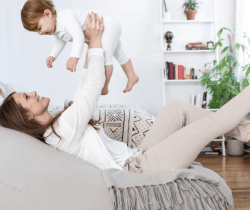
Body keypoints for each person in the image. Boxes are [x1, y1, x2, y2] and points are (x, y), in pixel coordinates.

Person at [1, 13, 250, 174]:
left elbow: (82, 92)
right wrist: (96, 41)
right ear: (29, 117)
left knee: (177, 108)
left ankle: (241, 131)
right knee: (206, 126)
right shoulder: (61, 130)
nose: (32, 92)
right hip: (140, 169)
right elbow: (92, 87)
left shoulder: (59, 125)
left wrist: (91, 46)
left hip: (138, 154)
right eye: (26, 97)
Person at [21, 0, 139, 95]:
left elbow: (78, 35)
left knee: (105, 57)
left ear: (48, 14)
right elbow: (60, 41)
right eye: (37, 31)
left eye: (39, 28)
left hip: (107, 24)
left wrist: (74, 57)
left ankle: (105, 86)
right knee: (119, 53)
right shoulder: (56, 29)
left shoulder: (64, 18)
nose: (40, 33)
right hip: (106, 28)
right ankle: (132, 76)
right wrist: (53, 55)